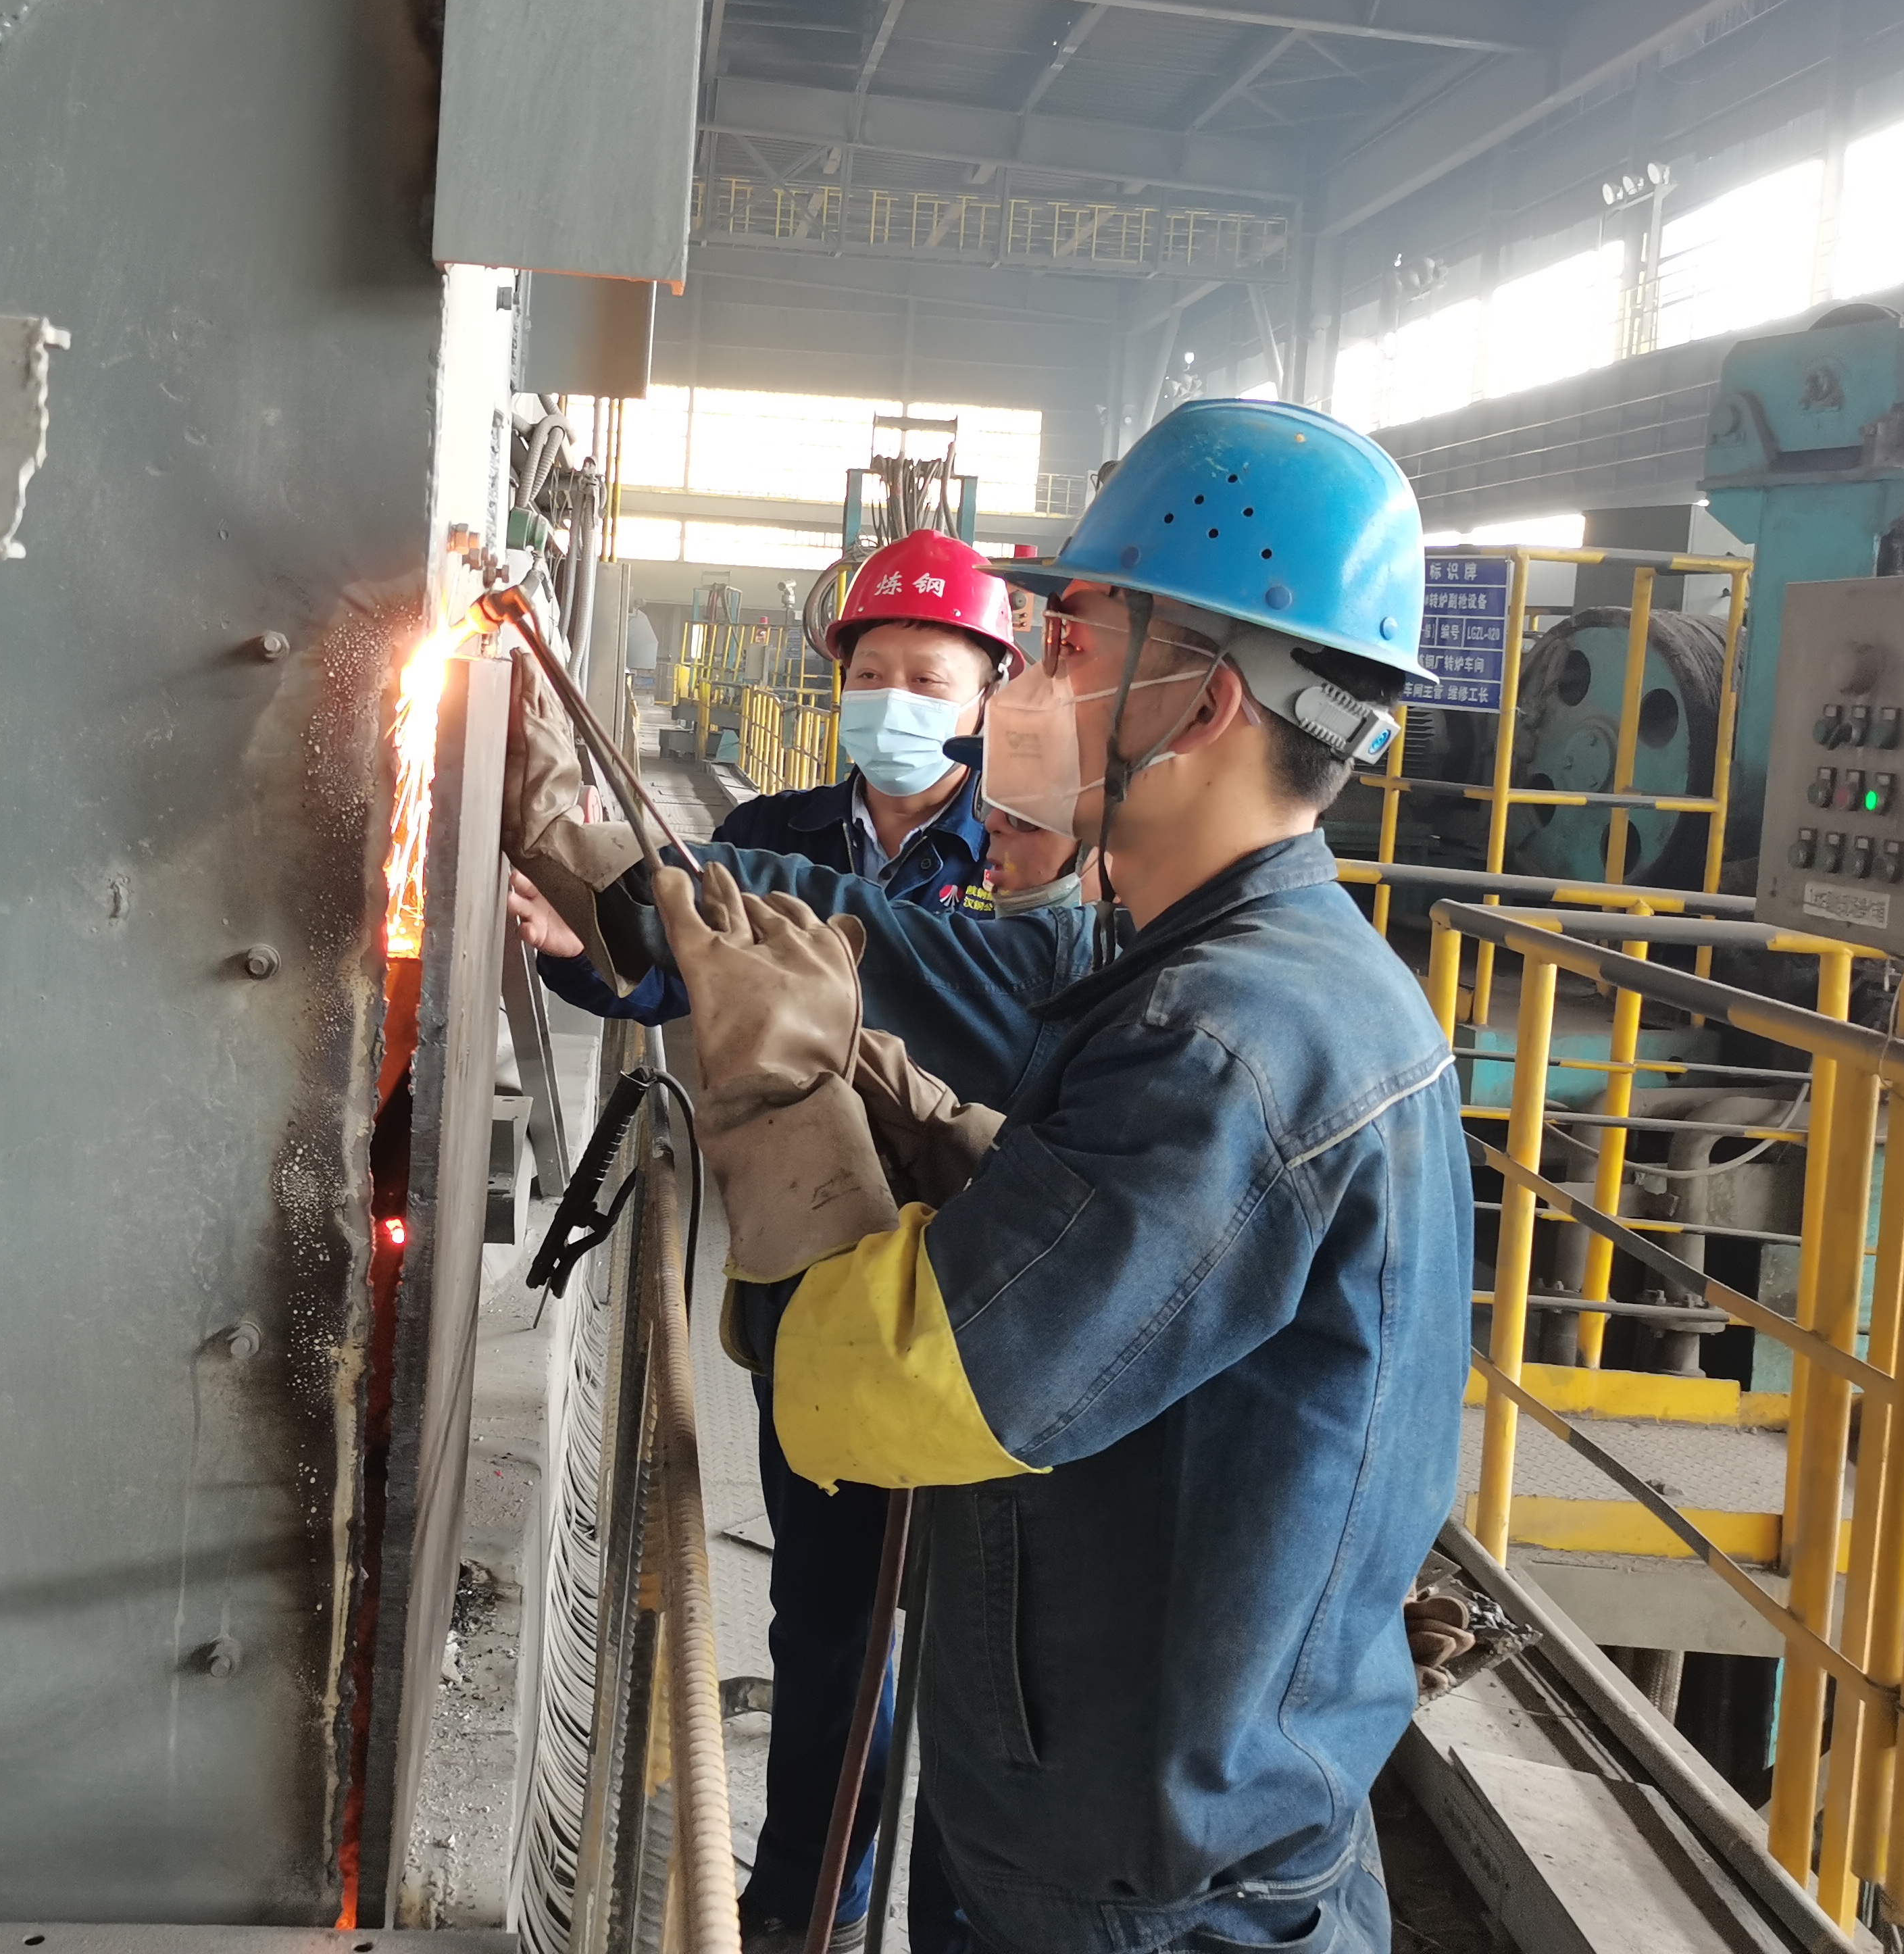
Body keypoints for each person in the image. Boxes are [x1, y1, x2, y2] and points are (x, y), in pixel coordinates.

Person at [536, 400, 1471, 1954]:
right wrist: (906, 1110)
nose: (1021, 690)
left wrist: (782, 1088)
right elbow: (1110, 1273)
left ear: (1206, 702)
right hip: (1103, 1835)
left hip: (1146, 1901)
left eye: (1074, 642)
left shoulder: (1231, 1043)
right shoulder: (1210, 975)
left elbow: (867, 1396)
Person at [511, 528, 1028, 1954]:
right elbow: (678, 960)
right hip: (826, 1272)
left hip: (996, 1280)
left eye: (932, 673)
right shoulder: (785, 840)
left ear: (990, 693)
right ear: (840, 681)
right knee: (831, 1611)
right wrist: (579, 956)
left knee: (995, 1644)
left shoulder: (1040, 860)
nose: (900, 698)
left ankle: (957, 1908)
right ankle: (809, 1897)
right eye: (876, 670)